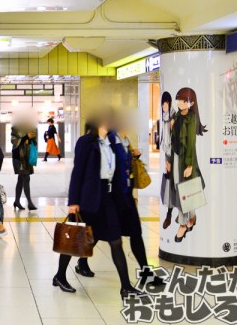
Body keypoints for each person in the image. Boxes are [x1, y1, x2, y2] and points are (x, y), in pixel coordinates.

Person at [53, 118, 145, 298]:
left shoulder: (110, 140)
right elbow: (77, 172)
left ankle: (125, 287)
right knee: (76, 240)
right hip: (89, 198)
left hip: (108, 198)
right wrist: (73, 202)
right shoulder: (86, 142)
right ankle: (60, 275)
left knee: (115, 241)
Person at [75, 126, 164, 287]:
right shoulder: (106, 140)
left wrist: (132, 156)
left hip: (124, 197)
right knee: (98, 234)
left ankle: (144, 274)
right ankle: (79, 263)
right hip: (112, 198)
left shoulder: (123, 139)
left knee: (135, 233)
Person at [169, 87, 206, 243]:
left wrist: (190, 164)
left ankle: (183, 224)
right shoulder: (176, 116)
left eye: (184, 100)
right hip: (176, 158)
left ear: (191, 103)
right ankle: (191, 217)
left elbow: (191, 142)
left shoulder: (191, 118)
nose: (180, 102)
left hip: (186, 159)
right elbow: (173, 141)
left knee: (184, 191)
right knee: (181, 190)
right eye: (179, 99)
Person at [159, 91, 177, 229]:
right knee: (171, 181)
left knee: (177, 182)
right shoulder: (163, 115)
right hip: (168, 152)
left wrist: (173, 125)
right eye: (163, 103)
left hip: (175, 152)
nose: (164, 106)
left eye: (166, 103)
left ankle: (176, 213)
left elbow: (176, 135)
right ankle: (170, 213)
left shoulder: (174, 115)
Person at [11, 125, 37, 210]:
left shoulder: (29, 127)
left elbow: (31, 141)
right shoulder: (15, 128)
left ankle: (17, 201)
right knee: (26, 177)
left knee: (21, 179)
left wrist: (31, 139)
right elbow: (14, 142)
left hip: (26, 157)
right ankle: (29, 203)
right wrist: (26, 137)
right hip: (19, 158)